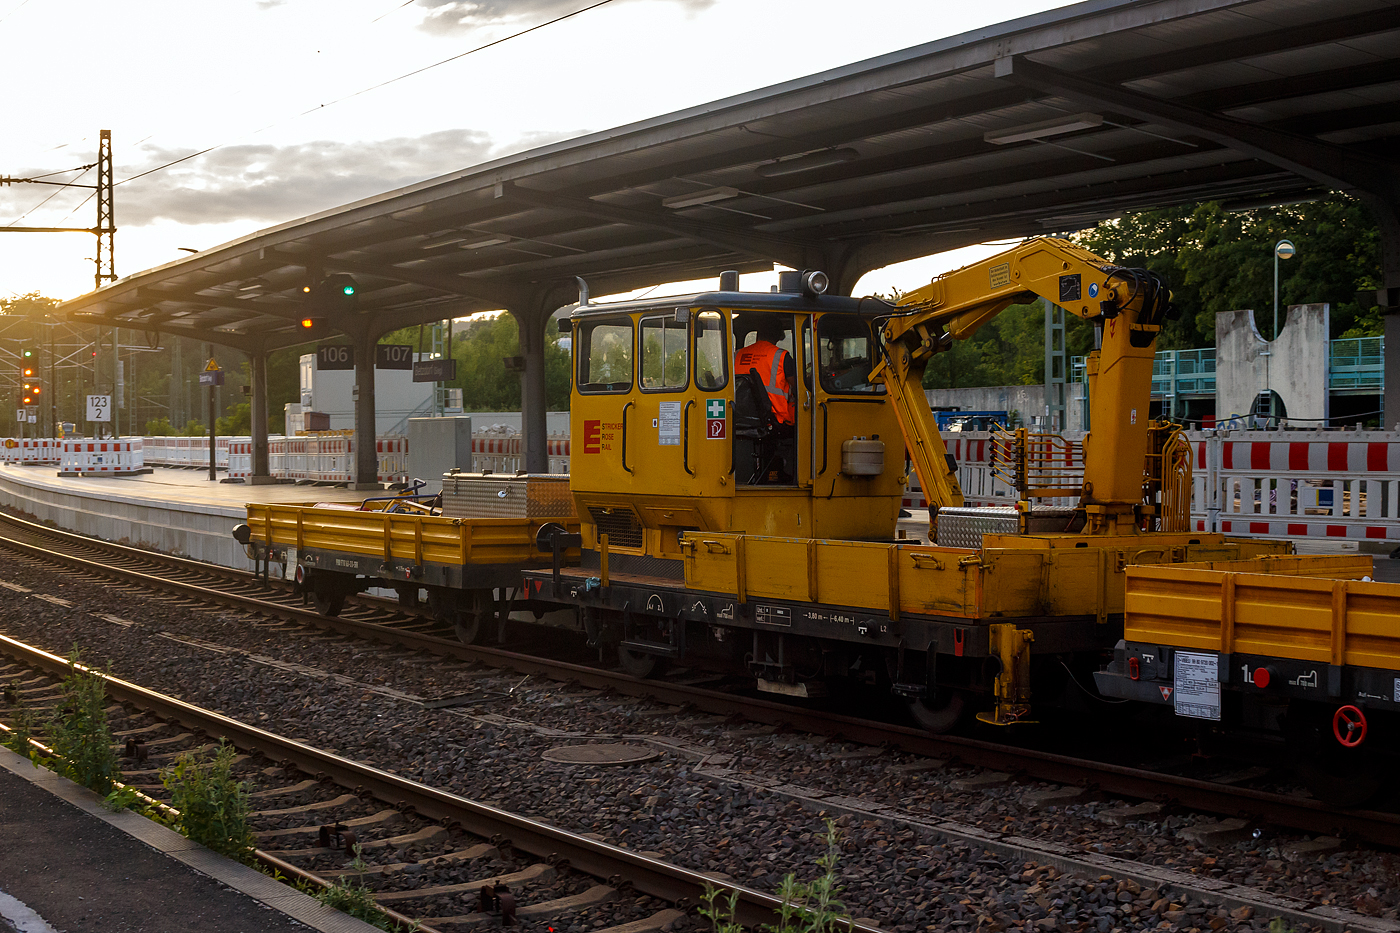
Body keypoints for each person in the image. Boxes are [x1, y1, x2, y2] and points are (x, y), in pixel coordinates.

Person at [734, 317, 796, 427]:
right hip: (775, 417)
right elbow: (798, 385)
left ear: (758, 334)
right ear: (778, 336)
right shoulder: (781, 356)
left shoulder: (737, 354)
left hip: (739, 415)